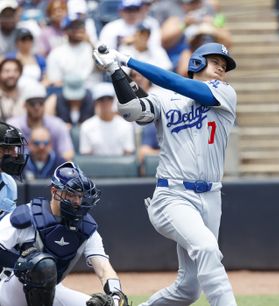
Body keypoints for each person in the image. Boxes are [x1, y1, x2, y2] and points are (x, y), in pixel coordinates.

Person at [93, 41, 238, 305]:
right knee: (207, 249)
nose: (221, 68)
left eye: (224, 65)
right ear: (196, 63)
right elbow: (132, 111)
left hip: (212, 198)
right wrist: (115, 70)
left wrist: (128, 60)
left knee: (188, 289)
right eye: (215, 61)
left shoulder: (224, 92)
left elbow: (179, 84)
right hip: (173, 195)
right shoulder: (164, 98)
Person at [0, 161, 130, 305]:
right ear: (54, 191)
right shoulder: (27, 215)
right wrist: (22, 264)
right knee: (42, 264)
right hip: (10, 292)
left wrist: (116, 295)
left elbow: (104, 268)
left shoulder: (86, 227)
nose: (77, 201)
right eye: (71, 194)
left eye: (80, 196)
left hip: (50, 293)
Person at [79, 82, 135, 156]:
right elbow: (86, 157)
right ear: (95, 102)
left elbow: (128, 154)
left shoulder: (126, 125)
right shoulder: (86, 126)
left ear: (113, 100)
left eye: (109, 99)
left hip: (119, 167)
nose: (105, 102)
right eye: (101, 99)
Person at [0, 122, 27, 216]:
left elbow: (8, 224)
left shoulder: (9, 182)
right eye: (11, 149)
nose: (15, 154)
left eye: (15, 149)